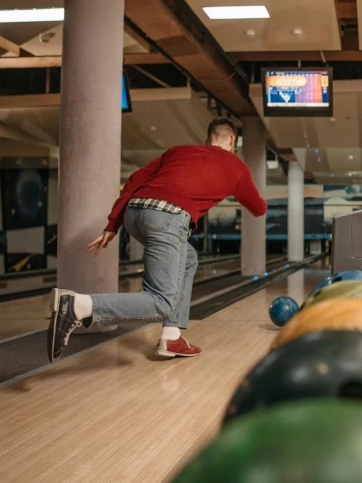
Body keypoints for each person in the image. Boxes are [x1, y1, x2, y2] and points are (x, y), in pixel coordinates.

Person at [47, 118, 267, 363]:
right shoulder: (235, 166)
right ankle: (78, 305)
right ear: (232, 141)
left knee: (189, 259)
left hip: (134, 213)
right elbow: (258, 208)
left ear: (207, 141)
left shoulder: (178, 151)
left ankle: (171, 335)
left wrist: (114, 223)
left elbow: (134, 180)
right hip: (168, 218)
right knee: (160, 302)